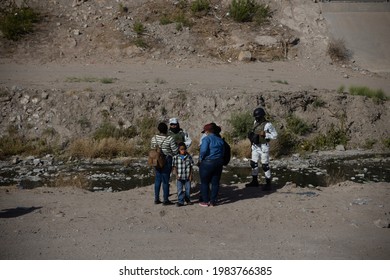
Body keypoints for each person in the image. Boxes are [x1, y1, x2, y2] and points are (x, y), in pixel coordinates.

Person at [245, 107, 278, 190]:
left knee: (265, 165)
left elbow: (275, 135)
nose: (256, 118)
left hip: (263, 146)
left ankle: (268, 184)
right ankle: (255, 181)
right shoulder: (255, 122)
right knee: (253, 163)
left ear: (262, 116)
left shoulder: (268, 125)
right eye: (255, 116)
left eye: (257, 116)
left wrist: (266, 135)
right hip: (255, 146)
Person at [150, 122, 178, 205]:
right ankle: (165, 200)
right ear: (167, 129)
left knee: (158, 179)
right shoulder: (170, 139)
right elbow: (175, 151)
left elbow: (152, 148)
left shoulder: (154, 138)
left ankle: (156, 199)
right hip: (167, 160)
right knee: (165, 180)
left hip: (156, 160)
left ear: (158, 129)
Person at [198, 123, 225, 207]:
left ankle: (206, 201)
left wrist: (200, 159)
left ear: (207, 131)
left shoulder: (206, 139)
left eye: (205, 131)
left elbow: (203, 151)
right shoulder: (220, 140)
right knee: (215, 182)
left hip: (207, 162)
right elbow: (223, 152)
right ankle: (213, 201)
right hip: (218, 162)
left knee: (205, 182)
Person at [172, 142, 194, 207]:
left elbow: (191, 166)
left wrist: (190, 175)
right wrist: (176, 175)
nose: (183, 150)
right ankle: (181, 201)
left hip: (187, 176)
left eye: (184, 149)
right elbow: (174, 167)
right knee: (180, 190)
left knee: (188, 189)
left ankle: (188, 200)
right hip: (179, 177)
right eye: (181, 149)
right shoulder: (175, 157)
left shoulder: (189, 157)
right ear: (179, 149)